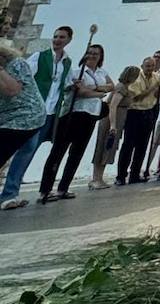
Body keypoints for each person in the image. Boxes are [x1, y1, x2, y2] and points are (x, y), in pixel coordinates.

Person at [0, 25, 74, 210]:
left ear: (68, 40)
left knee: (27, 151)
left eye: (61, 37)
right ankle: (9, 193)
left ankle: (11, 192)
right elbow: (27, 80)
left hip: (43, 113)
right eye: (55, 36)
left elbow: (64, 84)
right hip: (26, 112)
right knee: (22, 150)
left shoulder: (66, 62)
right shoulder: (38, 57)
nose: (57, 40)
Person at [38, 43, 114, 201]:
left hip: (91, 116)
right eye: (90, 52)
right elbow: (82, 92)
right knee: (58, 152)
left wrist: (95, 88)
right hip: (74, 115)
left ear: (100, 57)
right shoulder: (76, 72)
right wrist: (99, 93)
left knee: (77, 153)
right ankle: (45, 189)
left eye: (96, 54)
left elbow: (111, 86)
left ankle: (63, 188)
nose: (92, 56)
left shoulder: (101, 72)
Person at [0, 40, 46, 173]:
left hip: (25, 117)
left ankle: (10, 192)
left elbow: (12, 90)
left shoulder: (17, 64)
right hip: (7, 119)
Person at [115, 56, 160, 184]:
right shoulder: (136, 78)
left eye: (152, 66)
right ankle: (121, 176)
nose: (150, 69)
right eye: (147, 66)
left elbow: (156, 95)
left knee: (142, 146)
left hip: (149, 112)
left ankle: (135, 174)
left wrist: (159, 89)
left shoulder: (156, 77)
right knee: (128, 145)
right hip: (134, 112)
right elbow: (137, 98)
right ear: (142, 66)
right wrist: (154, 87)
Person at [91, 64, 137, 189]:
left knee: (108, 149)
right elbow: (113, 105)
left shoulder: (125, 88)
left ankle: (99, 177)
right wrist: (113, 125)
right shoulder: (121, 88)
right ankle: (96, 178)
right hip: (112, 121)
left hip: (118, 120)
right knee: (104, 147)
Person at [143, 49, 160, 180]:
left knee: (153, 140)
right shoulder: (145, 70)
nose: (157, 59)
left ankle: (147, 167)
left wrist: (159, 90)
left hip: (155, 106)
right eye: (155, 56)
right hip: (142, 105)